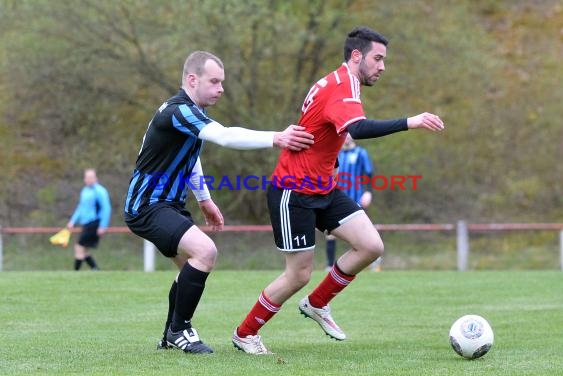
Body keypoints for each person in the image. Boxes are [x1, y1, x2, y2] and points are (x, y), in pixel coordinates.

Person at [231, 26, 444, 354]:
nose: (382, 66)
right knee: (298, 274)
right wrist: (409, 121)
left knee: (371, 245)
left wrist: (329, 162)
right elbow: (357, 128)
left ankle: (317, 303)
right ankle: (245, 333)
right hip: (293, 190)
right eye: (378, 58)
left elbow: (328, 132)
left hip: (322, 187)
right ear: (356, 56)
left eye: (384, 60)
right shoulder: (343, 85)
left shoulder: (343, 83)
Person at [123, 51, 314, 354]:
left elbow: (191, 156)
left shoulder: (189, 114)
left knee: (188, 266)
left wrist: (205, 199)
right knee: (205, 252)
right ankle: (180, 329)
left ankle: (169, 336)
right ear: (192, 80)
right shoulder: (179, 111)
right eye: (214, 81)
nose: (221, 88)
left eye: (222, 82)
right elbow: (225, 137)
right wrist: (277, 137)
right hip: (147, 205)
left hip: (167, 204)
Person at [325, 134, 375, 272]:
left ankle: (372, 262)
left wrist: (368, 192)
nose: (346, 137)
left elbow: (369, 174)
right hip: (336, 198)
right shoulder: (336, 153)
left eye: (349, 135)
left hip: (356, 198)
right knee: (330, 233)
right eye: (344, 134)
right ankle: (329, 265)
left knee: (362, 231)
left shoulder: (361, 153)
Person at [67, 168, 111, 271]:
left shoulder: (100, 191)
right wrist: (72, 221)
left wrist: (103, 226)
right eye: (87, 177)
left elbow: (106, 208)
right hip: (86, 223)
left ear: (96, 178)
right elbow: (80, 207)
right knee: (84, 250)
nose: (89, 179)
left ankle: (75, 272)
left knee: (79, 247)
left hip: (94, 223)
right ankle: (95, 269)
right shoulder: (85, 191)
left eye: (91, 177)